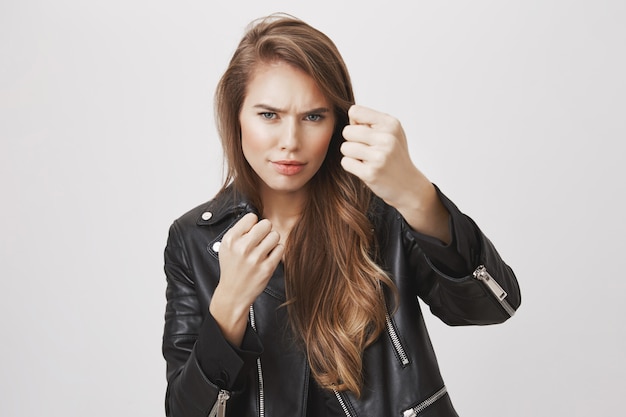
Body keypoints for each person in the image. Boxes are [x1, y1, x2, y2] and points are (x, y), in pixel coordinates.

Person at [162, 14, 520, 417]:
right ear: (236, 117)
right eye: (269, 115)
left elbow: (493, 308)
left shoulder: (381, 212)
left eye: (313, 116)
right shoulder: (194, 239)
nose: (291, 142)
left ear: (338, 123)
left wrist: (417, 195)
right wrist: (228, 306)